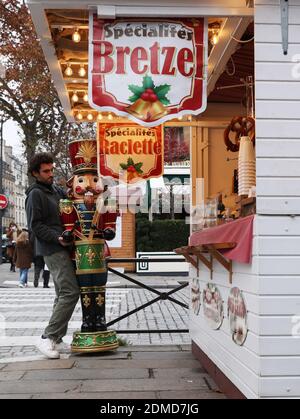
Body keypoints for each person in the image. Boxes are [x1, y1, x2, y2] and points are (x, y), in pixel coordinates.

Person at [25, 152, 79, 359]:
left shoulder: (55, 190)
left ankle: (56, 340)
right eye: (46, 171)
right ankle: (48, 336)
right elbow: (35, 226)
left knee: (61, 294)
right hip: (51, 248)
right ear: (35, 173)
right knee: (70, 292)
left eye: (52, 170)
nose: (51, 174)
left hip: (63, 246)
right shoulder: (35, 194)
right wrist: (57, 238)